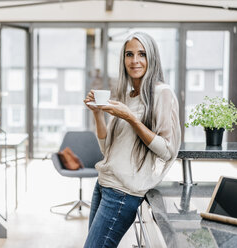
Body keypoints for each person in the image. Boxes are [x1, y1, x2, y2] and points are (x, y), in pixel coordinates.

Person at [83, 32, 181, 248]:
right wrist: (97, 113)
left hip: (123, 193)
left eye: (142, 54)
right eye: (129, 54)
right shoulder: (127, 95)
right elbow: (106, 149)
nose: (134, 60)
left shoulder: (162, 93)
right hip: (103, 184)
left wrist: (131, 118)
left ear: (151, 58)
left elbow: (166, 150)